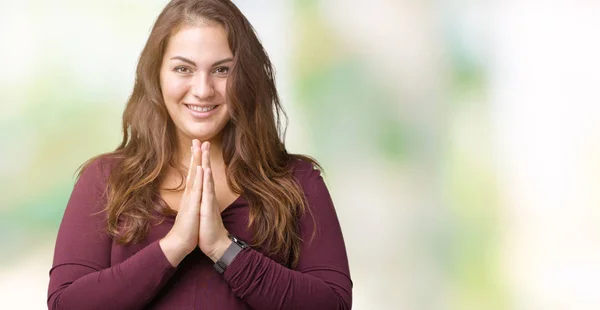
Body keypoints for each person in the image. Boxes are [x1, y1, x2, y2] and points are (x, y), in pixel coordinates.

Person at [46, 0, 352, 309]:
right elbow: (66, 304)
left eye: (221, 70)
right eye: (183, 69)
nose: (203, 89)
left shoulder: (298, 180)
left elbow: (334, 304)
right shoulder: (105, 179)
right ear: (157, 75)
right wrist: (174, 246)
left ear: (245, 77)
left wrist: (223, 247)